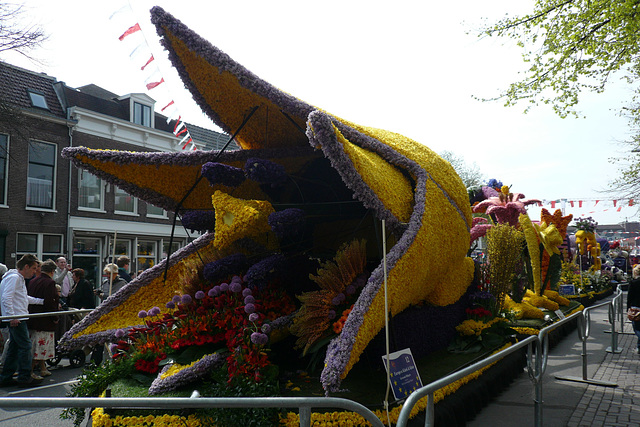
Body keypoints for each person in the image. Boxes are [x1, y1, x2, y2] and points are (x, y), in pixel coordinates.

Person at [0, 254, 45, 387]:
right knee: (25, 346)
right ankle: (25, 376)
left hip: (16, 317)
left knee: (14, 347)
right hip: (17, 319)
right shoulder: (14, 278)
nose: (34, 272)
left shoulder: (14, 278)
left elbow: (22, 298)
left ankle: (6, 376)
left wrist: (41, 301)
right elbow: (6, 298)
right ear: (26, 266)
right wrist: (12, 316)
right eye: (33, 268)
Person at [26, 259, 59, 379]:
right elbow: (50, 302)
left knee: (34, 344)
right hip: (44, 320)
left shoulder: (33, 281)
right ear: (52, 271)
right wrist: (55, 317)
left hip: (32, 318)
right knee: (40, 347)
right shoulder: (50, 283)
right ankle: (29, 371)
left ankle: (43, 368)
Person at [627, 264, 640, 354]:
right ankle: (639, 347)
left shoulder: (633, 282)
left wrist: (628, 308)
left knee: (637, 329)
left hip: (636, 308)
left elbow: (629, 297)